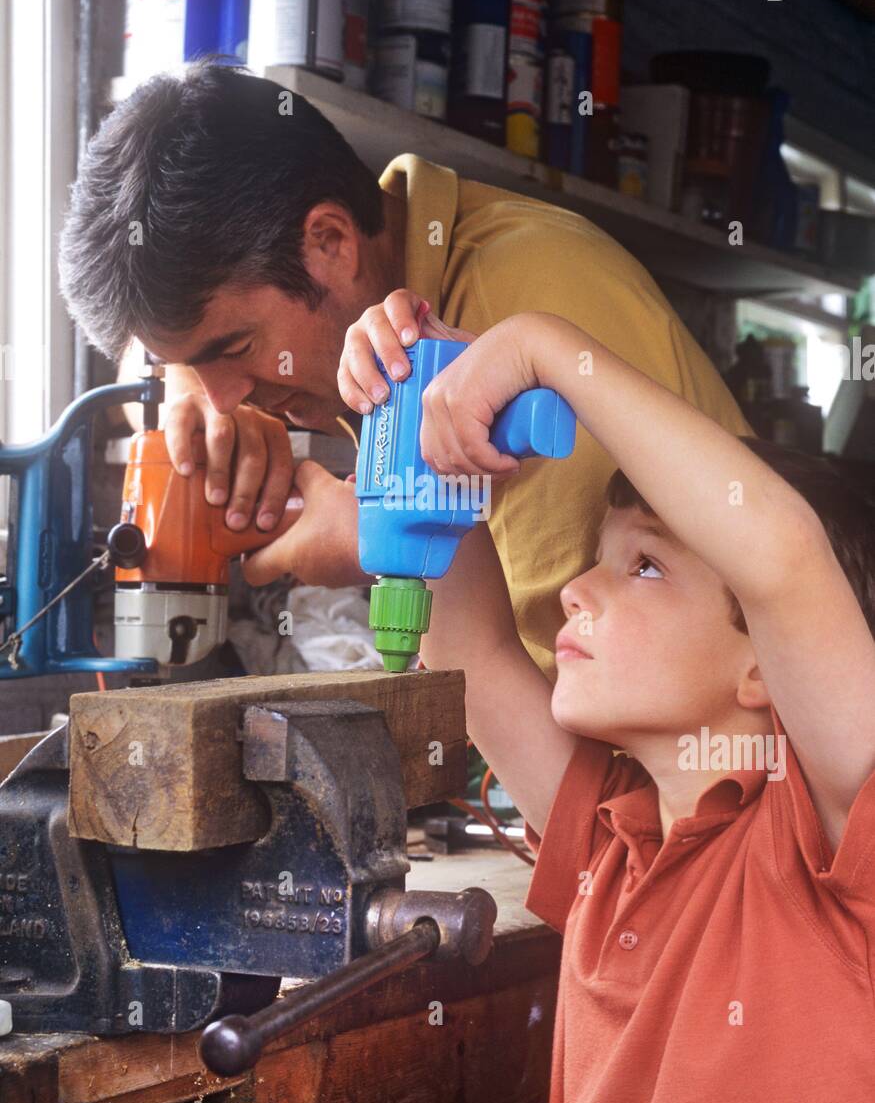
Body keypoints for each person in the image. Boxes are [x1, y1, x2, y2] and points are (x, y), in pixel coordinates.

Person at [337, 305, 875, 1103]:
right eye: (602, 555)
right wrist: (429, 422)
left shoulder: (831, 846)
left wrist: (543, 347)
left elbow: (782, 558)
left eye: (646, 565)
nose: (575, 591)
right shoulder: (608, 841)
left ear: (764, 661)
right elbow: (470, 643)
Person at [59, 62, 747, 675]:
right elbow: (159, 351)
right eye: (184, 360)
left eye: (233, 349)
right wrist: (192, 392)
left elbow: (594, 716)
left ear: (328, 242)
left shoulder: (523, 302)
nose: (231, 396)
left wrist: (385, 538)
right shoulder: (382, 282)